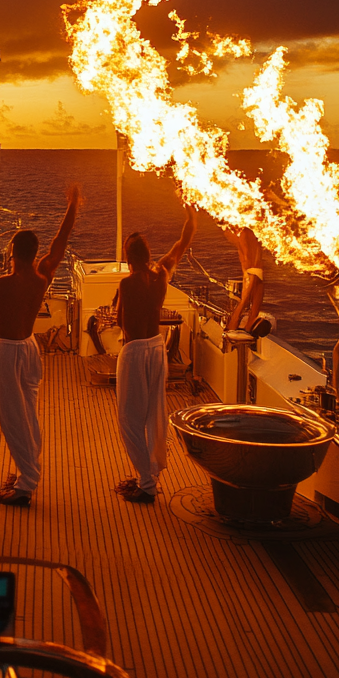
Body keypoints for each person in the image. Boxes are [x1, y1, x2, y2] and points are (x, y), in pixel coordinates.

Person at [0, 183, 81, 507]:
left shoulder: (3, 284)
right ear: (35, 254)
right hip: (31, 348)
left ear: (11, 254)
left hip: (7, 351)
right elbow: (60, 242)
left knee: (11, 417)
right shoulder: (42, 276)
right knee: (29, 414)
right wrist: (72, 205)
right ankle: (26, 470)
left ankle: (26, 483)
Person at [112, 205, 197, 504]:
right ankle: (147, 476)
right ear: (147, 255)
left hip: (134, 351)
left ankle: (146, 483)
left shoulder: (126, 283)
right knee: (154, 414)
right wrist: (190, 217)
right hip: (157, 347)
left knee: (128, 418)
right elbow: (182, 243)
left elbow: (121, 321)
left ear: (127, 257)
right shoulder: (162, 272)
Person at [225, 227, 269, 338]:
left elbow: (241, 309)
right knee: (247, 250)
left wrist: (246, 293)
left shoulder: (247, 322)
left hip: (253, 272)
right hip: (253, 272)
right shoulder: (250, 322)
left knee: (245, 249)